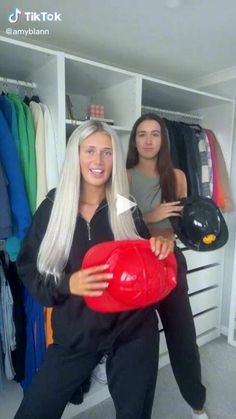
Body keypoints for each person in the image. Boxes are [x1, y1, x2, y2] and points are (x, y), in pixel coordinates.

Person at [14, 120, 174, 419]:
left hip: (132, 329)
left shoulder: (127, 205)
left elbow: (145, 264)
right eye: (89, 151)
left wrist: (160, 249)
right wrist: (68, 284)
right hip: (77, 332)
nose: (98, 162)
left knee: (135, 414)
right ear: (76, 155)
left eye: (106, 152)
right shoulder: (52, 206)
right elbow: (29, 271)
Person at [126, 113, 209, 419]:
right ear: (135, 140)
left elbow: (183, 224)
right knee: (139, 346)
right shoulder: (125, 176)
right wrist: (152, 213)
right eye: (142, 134)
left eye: (155, 134)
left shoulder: (178, 177)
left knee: (183, 336)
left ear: (163, 139)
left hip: (171, 263)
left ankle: (197, 406)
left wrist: (176, 234)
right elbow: (120, 224)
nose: (148, 140)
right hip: (137, 268)